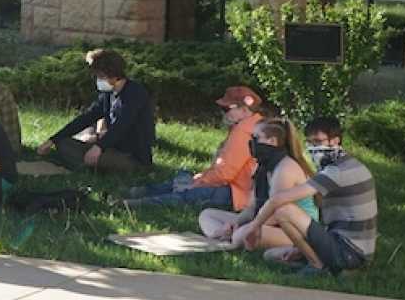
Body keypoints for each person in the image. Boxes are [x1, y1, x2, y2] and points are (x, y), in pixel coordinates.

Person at [240, 116, 377, 277]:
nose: (313, 148)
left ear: (335, 141)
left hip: (350, 252)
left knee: (283, 210)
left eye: (318, 142)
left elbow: (279, 199)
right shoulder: (348, 164)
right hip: (348, 246)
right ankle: (325, 263)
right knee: (270, 255)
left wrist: (254, 227)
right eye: (310, 142)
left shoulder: (337, 171)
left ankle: (317, 266)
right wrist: (300, 249)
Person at [199, 118, 319, 258]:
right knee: (207, 215)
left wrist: (249, 227)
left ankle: (232, 239)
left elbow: (277, 213)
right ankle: (222, 236)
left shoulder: (286, 168)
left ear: (272, 141)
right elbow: (252, 206)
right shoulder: (261, 166)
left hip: (294, 229)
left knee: (241, 235)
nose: (252, 142)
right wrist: (235, 223)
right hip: (265, 221)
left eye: (256, 138)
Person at [127, 86, 263, 208]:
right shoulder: (253, 126)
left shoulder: (243, 132)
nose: (223, 113)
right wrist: (199, 179)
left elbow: (224, 174)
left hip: (237, 193)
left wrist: (197, 183)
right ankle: (144, 193)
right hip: (234, 187)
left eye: (226, 109)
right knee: (184, 176)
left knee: (188, 194)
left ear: (245, 110)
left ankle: (136, 203)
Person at [36, 49, 154, 174]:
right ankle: (88, 163)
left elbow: (121, 126)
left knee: (91, 155)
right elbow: (87, 117)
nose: (98, 80)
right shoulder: (108, 94)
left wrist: (98, 147)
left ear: (112, 74)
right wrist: (52, 140)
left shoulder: (135, 93)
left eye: (100, 76)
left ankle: (88, 167)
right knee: (63, 143)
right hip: (109, 147)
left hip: (131, 156)